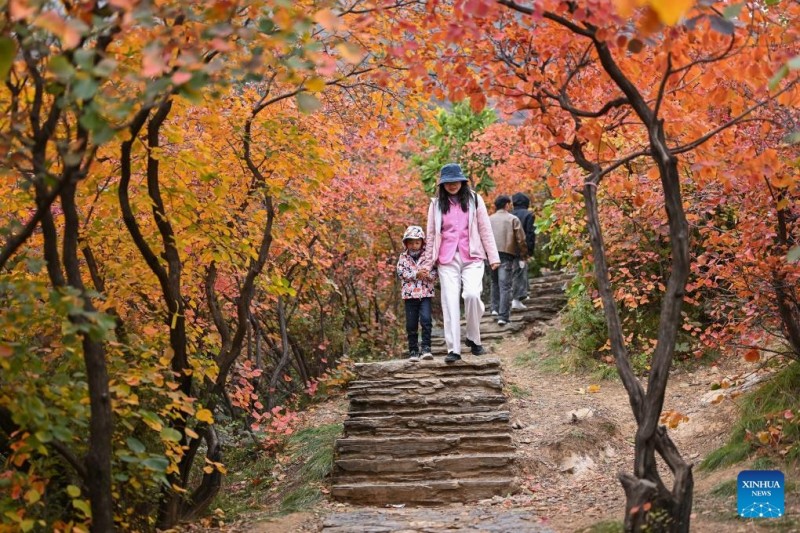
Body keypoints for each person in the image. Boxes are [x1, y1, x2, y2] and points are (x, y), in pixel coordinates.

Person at [418, 163, 500, 363]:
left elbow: (485, 229)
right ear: (442, 185)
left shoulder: (474, 200)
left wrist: (493, 256)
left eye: (455, 181)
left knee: (472, 295)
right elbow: (431, 235)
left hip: (472, 256)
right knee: (450, 302)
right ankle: (453, 349)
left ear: (462, 181)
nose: (452, 185)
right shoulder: (436, 205)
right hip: (447, 258)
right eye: (448, 182)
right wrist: (427, 264)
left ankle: (473, 337)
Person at [396, 225, 436, 362]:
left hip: (425, 294)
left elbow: (435, 272)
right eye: (411, 242)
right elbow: (401, 273)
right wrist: (416, 274)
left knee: (426, 320)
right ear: (406, 243)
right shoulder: (403, 257)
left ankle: (426, 348)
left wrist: (428, 275)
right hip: (410, 295)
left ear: (422, 242)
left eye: (417, 242)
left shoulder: (428, 256)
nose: (414, 245)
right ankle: (413, 350)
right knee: (411, 323)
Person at [489, 195, 527, 326]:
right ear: (506, 205)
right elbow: (521, 239)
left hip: (490, 255)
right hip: (506, 253)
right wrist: (523, 254)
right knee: (505, 286)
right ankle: (503, 316)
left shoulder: (489, 219)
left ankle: (494, 308)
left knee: (494, 282)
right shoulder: (513, 219)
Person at [511, 192, 536, 308]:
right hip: (522, 248)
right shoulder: (528, 215)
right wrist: (530, 250)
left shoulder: (509, 215)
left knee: (513, 272)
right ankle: (518, 297)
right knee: (520, 270)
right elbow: (530, 233)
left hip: (508, 248)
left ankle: (522, 294)